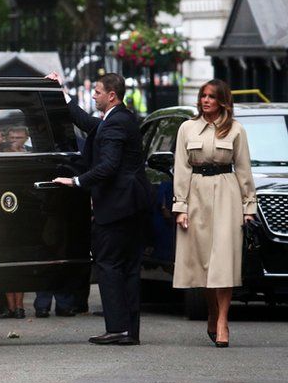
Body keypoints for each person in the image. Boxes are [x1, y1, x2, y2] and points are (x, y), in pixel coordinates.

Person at [48, 71, 152, 346]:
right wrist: (62, 93)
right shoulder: (117, 119)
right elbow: (88, 123)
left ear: (111, 95)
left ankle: (118, 328)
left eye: (96, 91)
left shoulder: (116, 124)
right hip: (131, 205)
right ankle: (128, 330)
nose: (93, 95)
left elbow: (108, 166)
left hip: (119, 207)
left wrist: (76, 181)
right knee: (127, 267)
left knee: (109, 265)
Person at [172, 79, 256, 348]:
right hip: (196, 194)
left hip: (226, 194)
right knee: (203, 263)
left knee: (224, 261)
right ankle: (212, 312)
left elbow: (244, 170)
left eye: (211, 97)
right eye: (203, 96)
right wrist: (181, 207)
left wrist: (248, 208)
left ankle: (222, 321)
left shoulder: (236, 130)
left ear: (222, 101)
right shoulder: (187, 128)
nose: (205, 100)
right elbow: (181, 169)